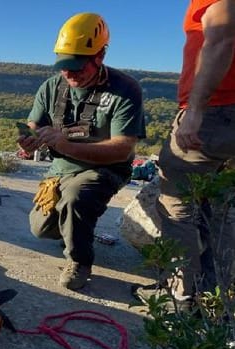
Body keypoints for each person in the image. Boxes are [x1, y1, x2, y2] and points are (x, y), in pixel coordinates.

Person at [18, 13, 146, 290]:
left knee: (76, 198)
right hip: (61, 169)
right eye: (64, 65)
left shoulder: (125, 89)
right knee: (40, 229)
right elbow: (34, 122)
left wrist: (64, 144)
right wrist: (30, 137)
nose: (69, 73)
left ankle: (80, 261)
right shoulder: (52, 87)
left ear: (100, 56)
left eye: (77, 66)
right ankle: (74, 228)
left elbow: (123, 148)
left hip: (105, 168)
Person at [135, 0, 235, 306]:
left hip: (214, 114)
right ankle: (219, 300)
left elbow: (221, 39)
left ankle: (180, 295)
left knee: (177, 208)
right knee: (225, 212)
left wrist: (195, 111)